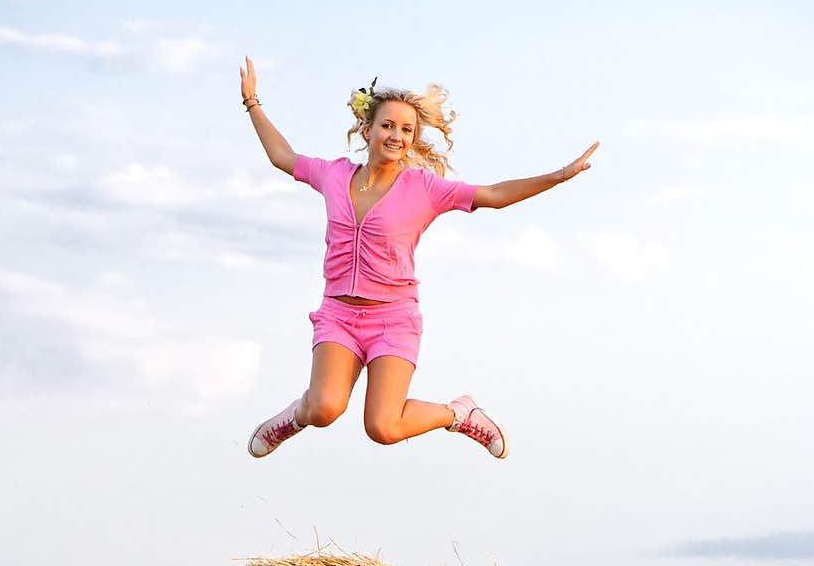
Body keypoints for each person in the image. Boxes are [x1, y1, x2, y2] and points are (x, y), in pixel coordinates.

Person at [240, 56, 598, 460]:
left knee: (383, 427)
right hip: (339, 315)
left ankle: (458, 413)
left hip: (392, 318)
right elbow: (282, 157)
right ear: (367, 128)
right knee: (323, 409)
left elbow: (494, 196)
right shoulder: (333, 175)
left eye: (406, 129)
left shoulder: (424, 188)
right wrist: (252, 102)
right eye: (388, 125)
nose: (397, 136)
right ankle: (295, 416)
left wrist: (559, 175)